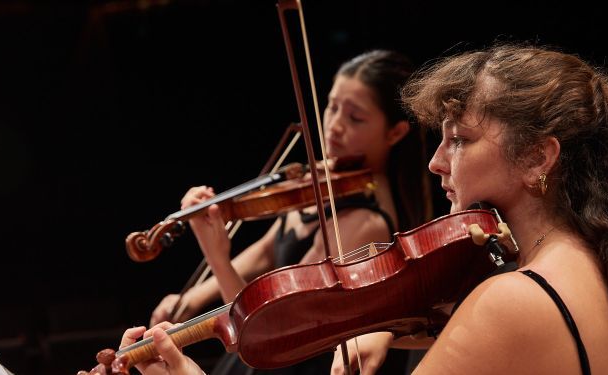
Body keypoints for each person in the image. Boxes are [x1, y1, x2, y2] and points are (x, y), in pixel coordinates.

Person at [108, 44, 608, 375]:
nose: (437, 162)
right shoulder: (589, 263)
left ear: (537, 160)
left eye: (461, 140)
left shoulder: (516, 300)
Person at [149, 49, 432, 375]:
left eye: (355, 118)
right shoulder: (322, 182)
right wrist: (191, 298)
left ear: (395, 132)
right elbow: (268, 248)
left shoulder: (366, 224)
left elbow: (271, 328)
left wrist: (217, 256)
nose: (334, 125)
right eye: (332, 106)